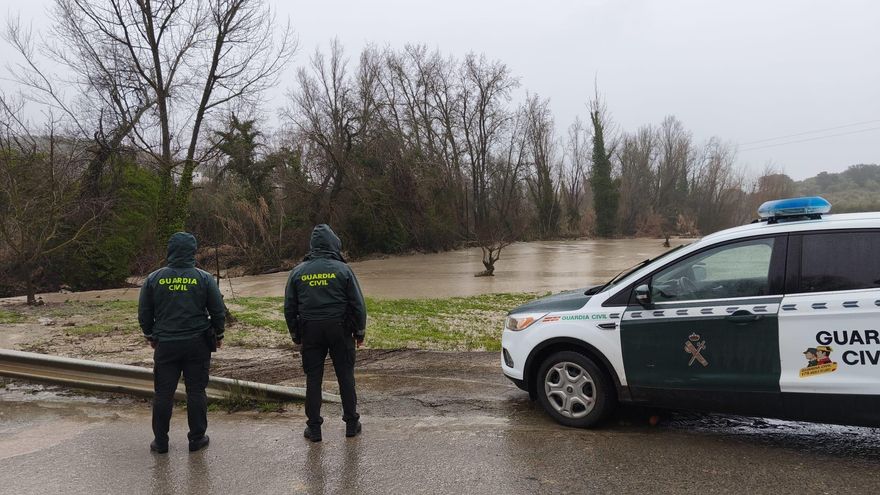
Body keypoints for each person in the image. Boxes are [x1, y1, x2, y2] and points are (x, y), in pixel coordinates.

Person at [138, 232, 225, 454]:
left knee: (163, 393)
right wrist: (219, 334)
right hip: (197, 343)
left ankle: (161, 442)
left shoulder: (154, 278)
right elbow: (217, 310)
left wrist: (150, 335)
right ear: (192, 252)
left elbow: (144, 312)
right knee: (196, 391)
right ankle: (196, 439)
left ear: (170, 251)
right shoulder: (203, 278)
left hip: (166, 344)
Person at [285, 224, 367, 442]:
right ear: (334, 244)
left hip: (310, 330)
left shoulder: (298, 272)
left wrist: (295, 334)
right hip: (340, 329)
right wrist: (360, 331)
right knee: (345, 376)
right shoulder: (343, 270)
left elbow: (289, 307)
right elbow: (358, 304)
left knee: (313, 379)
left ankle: (314, 429)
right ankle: (351, 423)